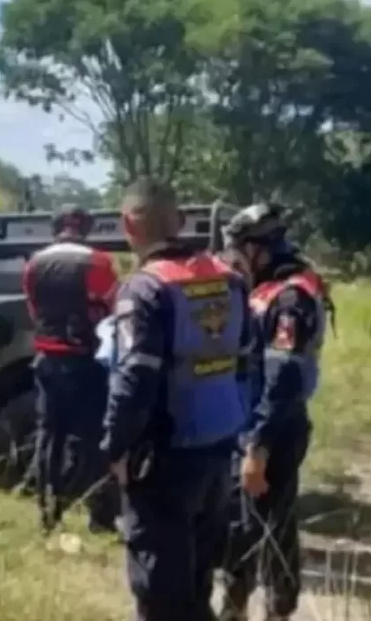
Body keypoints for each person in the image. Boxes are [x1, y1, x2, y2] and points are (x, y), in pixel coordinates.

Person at [103, 178, 253, 621]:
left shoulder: (144, 289)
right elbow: (247, 362)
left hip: (164, 460)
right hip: (219, 446)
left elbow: (135, 377)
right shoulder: (229, 280)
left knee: (160, 592)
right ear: (182, 221)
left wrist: (114, 447)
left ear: (129, 224)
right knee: (196, 581)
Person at [218, 203, 330, 621]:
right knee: (248, 522)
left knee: (265, 527)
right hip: (255, 423)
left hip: (273, 428)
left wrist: (258, 447)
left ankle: (269, 611)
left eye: (239, 249)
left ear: (258, 248)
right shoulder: (269, 288)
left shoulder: (289, 296)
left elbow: (282, 378)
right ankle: (239, 607)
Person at [22, 204, 120, 535]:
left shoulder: (35, 263)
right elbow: (112, 308)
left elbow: (33, 309)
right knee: (94, 436)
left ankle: (48, 511)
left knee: (50, 435)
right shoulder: (100, 261)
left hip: (47, 358)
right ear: (86, 228)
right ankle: (99, 514)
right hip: (86, 358)